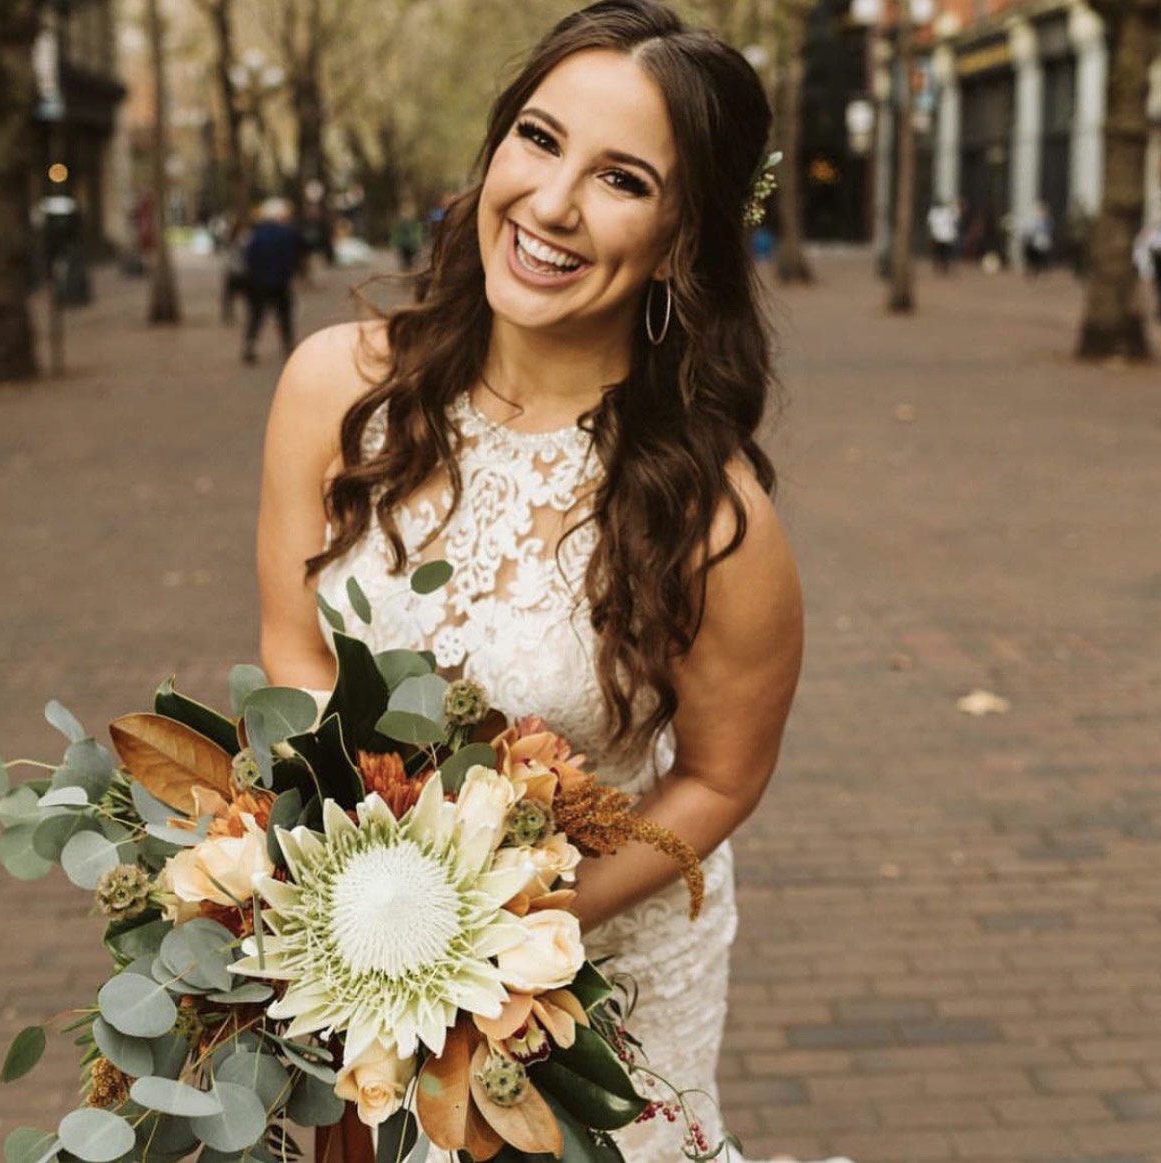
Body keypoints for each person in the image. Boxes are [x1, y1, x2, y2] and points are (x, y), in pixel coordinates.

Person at [257, 3, 826, 1160]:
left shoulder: (710, 521)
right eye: (538, 137)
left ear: (680, 235)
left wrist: (516, 927)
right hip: (359, 948)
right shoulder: (335, 390)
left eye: (621, 177)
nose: (553, 203)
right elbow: (296, 649)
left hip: (590, 985)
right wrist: (356, 888)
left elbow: (720, 780)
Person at [242, 198, 305, 364]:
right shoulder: (287, 233)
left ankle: (250, 345)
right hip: (280, 282)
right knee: (284, 316)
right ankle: (288, 345)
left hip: (259, 282)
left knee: (256, 316)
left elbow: (249, 258)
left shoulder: (256, 233)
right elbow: (293, 256)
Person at [1021, 200, 1053, 278]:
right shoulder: (1035, 220)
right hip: (1036, 242)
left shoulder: (1048, 221)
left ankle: (1042, 272)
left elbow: (1049, 230)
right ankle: (1033, 271)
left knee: (1043, 258)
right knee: (1034, 258)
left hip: (1044, 242)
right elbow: (1030, 230)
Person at [927, 200, 959, 273]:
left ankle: (944, 267)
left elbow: (954, 222)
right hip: (941, 236)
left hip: (943, 236)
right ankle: (941, 266)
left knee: (944, 253)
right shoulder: (935, 212)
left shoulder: (948, 212)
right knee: (941, 253)